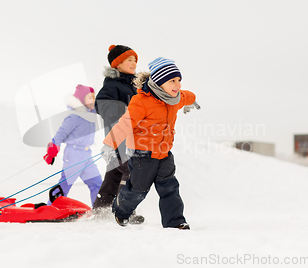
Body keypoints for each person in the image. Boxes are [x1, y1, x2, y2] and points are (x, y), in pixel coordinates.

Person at [101, 57, 199, 229]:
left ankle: (175, 222)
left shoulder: (174, 98)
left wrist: (192, 101)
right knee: (138, 190)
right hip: (142, 155)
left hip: (164, 153)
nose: (178, 85)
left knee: (170, 188)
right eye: (172, 81)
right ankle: (121, 210)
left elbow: (187, 96)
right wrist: (110, 144)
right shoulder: (142, 101)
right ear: (159, 82)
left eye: (179, 80)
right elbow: (126, 123)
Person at [93, 44, 144, 224]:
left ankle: (101, 209)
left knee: (114, 173)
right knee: (129, 171)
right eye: (129, 60)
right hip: (118, 137)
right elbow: (101, 103)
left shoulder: (134, 86)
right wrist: (122, 111)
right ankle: (126, 211)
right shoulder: (113, 84)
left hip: (130, 137)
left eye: (135, 60)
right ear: (117, 64)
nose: (133, 63)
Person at [43, 84, 102, 206]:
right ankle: (51, 207)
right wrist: (53, 148)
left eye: (94, 97)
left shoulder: (91, 116)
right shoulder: (75, 117)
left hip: (87, 155)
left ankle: (98, 209)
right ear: (81, 100)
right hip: (74, 154)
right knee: (65, 184)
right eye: (89, 98)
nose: (93, 100)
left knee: (96, 183)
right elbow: (61, 134)